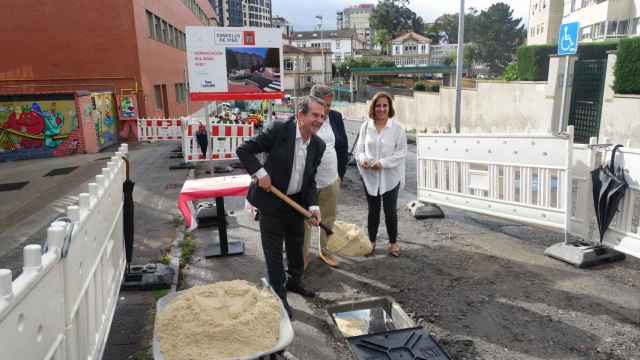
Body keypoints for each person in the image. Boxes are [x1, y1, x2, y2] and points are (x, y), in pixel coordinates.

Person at [236, 96, 327, 317]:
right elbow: (244, 150)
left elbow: (310, 179)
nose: (319, 120)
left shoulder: (318, 145)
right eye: (314, 115)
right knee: (274, 253)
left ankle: (295, 281)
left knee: (296, 249)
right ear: (300, 115)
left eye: (322, 116)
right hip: (271, 203)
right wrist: (260, 173)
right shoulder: (279, 130)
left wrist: (313, 205)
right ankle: (279, 297)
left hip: (295, 204)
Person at [355, 92, 407, 257]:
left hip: (391, 177)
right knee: (373, 210)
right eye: (378, 105)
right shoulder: (366, 126)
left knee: (390, 211)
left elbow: (401, 153)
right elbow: (359, 150)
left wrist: (382, 163)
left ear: (389, 107)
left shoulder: (397, 128)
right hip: (370, 177)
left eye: (385, 105)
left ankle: (393, 243)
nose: (381, 109)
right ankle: (371, 242)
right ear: (373, 107)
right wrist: (363, 159)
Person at [303, 84, 349, 268]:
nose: (327, 110)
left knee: (328, 218)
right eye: (324, 105)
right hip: (308, 181)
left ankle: (325, 249)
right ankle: (303, 254)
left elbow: (342, 146)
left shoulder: (335, 117)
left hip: (331, 178)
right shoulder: (304, 118)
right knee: (305, 220)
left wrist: (340, 174)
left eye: (330, 105)